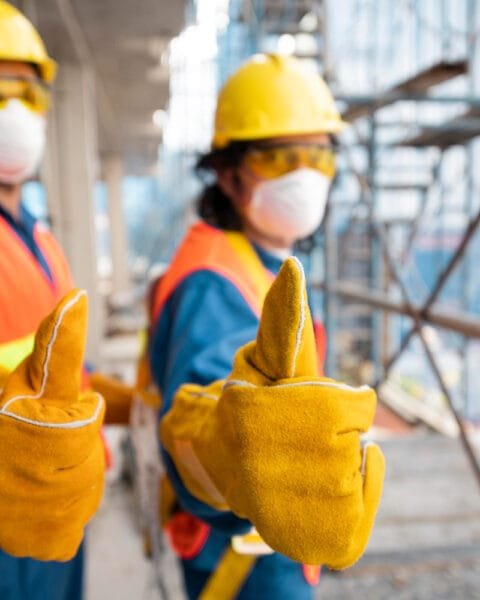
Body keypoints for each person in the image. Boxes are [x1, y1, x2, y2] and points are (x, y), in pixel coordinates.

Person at [149, 53, 385, 599]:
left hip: (267, 545)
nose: (303, 174)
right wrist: (238, 449)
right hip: (245, 562)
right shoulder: (214, 281)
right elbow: (200, 412)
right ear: (230, 175)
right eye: (280, 158)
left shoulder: (258, 262)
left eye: (318, 156)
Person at [0, 2, 131, 597]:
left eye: (26, 93)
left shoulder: (43, 238)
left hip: (64, 496)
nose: (14, 112)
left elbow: (56, 363)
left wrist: (121, 401)